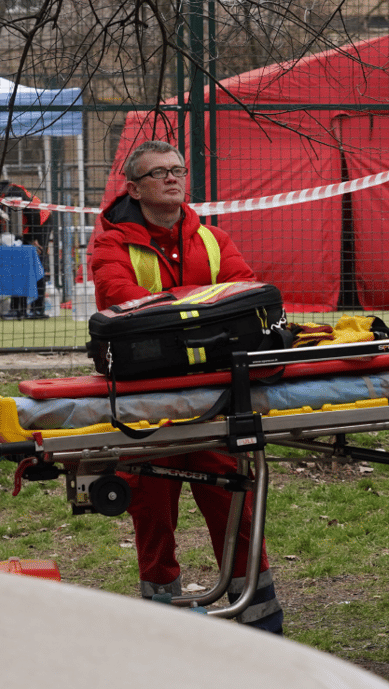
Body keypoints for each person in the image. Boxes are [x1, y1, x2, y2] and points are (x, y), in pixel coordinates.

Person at [90, 140, 283, 634]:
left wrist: (177, 310)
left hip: (217, 396)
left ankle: (260, 622)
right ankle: (162, 623)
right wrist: (203, 309)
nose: (173, 178)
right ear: (133, 187)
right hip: (145, 402)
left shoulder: (214, 238)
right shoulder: (112, 244)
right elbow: (122, 301)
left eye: (178, 170)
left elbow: (244, 292)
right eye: (159, 173)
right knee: (152, 514)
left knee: (235, 509)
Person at [0, 179, 52, 319]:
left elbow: (34, 213)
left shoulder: (14, 192)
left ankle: (37, 309)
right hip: (22, 229)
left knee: (37, 264)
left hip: (40, 223)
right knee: (17, 266)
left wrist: (34, 238)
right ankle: (17, 308)